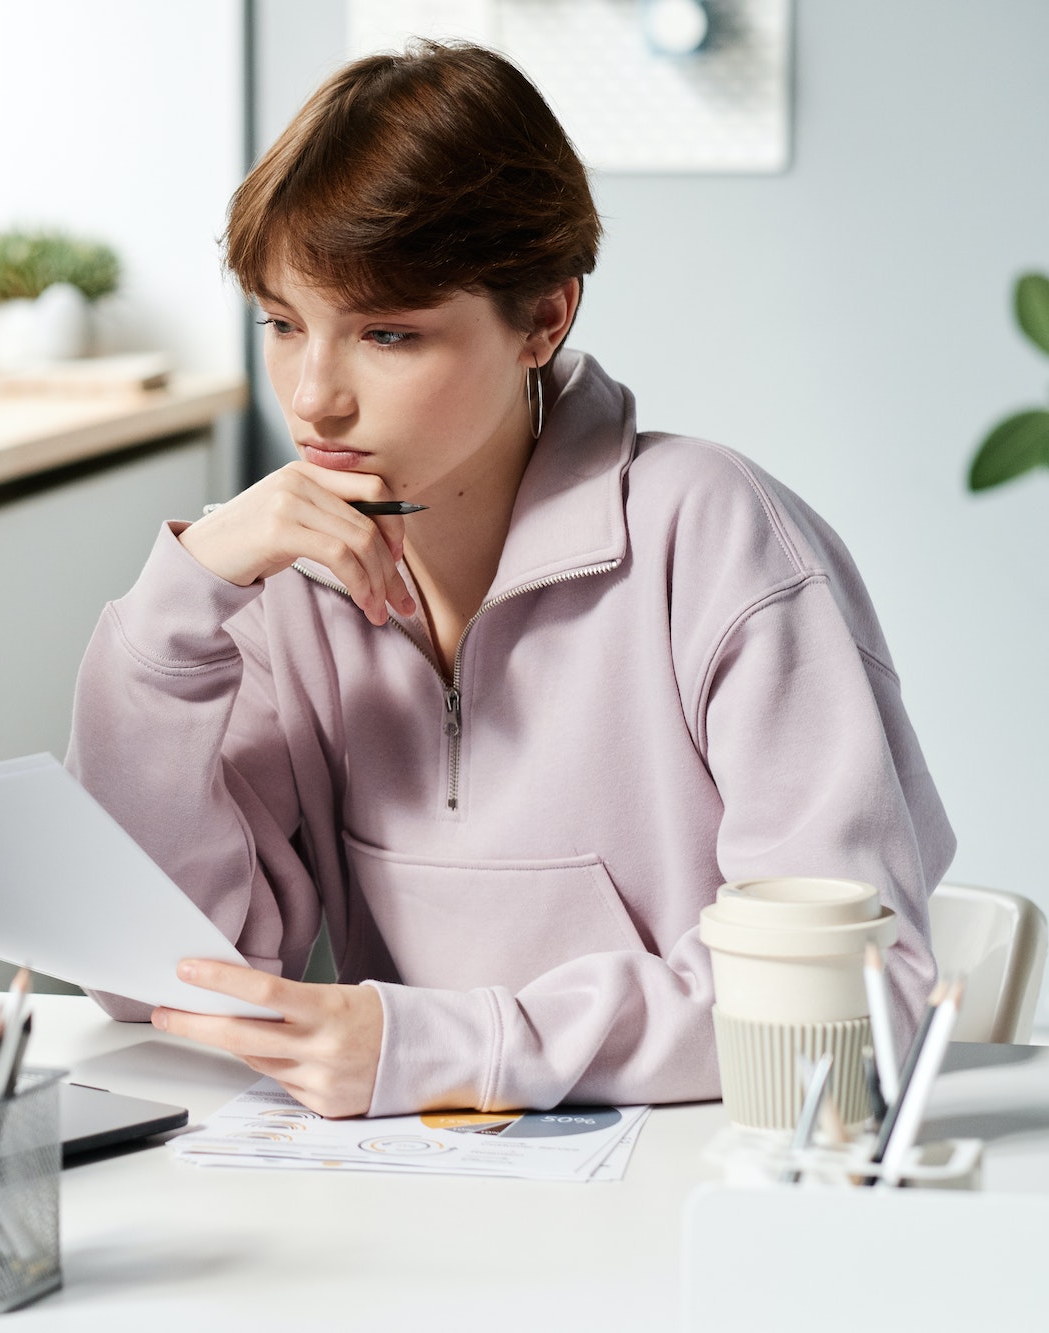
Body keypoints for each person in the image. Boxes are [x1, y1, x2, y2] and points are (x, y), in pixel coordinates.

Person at [65, 43, 952, 1118]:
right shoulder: (280, 585)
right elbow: (151, 977)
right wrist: (176, 613)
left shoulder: (714, 538)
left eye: (387, 333)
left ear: (542, 319)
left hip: (688, 1186)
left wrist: (457, 1047)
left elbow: (859, 993)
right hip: (405, 1196)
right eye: (282, 324)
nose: (313, 399)